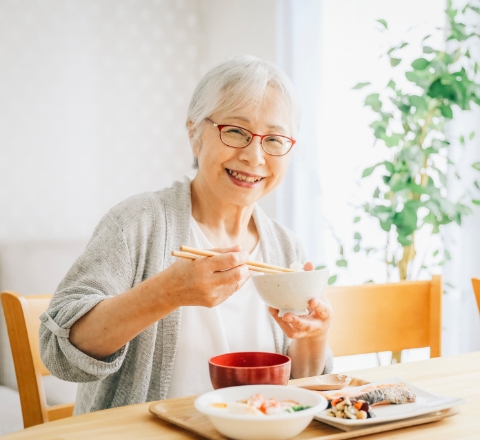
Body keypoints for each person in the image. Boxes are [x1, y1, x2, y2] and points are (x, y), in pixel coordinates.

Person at [39, 55, 333, 414]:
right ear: (195, 134)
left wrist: (314, 337)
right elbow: (59, 354)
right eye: (236, 131)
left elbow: (298, 394)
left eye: (274, 139)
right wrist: (164, 294)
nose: (254, 156)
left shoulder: (286, 248)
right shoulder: (137, 223)